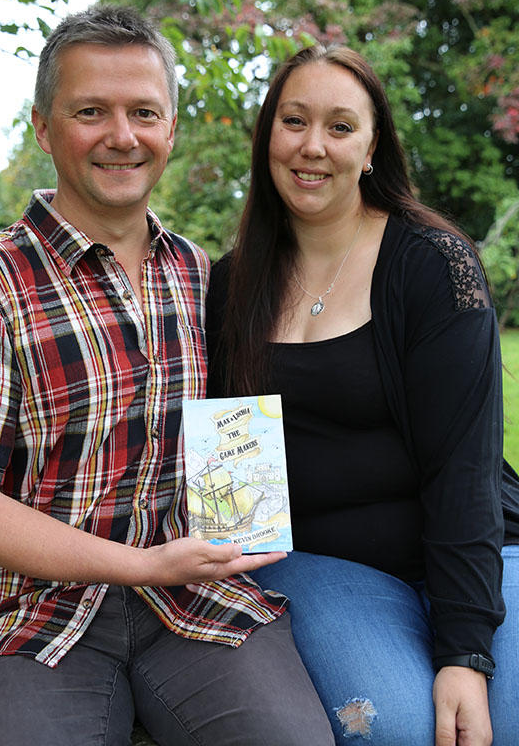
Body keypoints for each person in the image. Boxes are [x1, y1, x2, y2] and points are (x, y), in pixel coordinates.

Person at [0, 7, 335, 746]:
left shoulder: (202, 275)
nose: (122, 135)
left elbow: (235, 436)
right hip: (38, 617)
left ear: (170, 128)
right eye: (91, 112)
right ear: (44, 128)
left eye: (144, 112)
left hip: (197, 600)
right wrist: (140, 563)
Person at [206, 43, 519, 745]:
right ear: (267, 137)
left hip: (474, 554)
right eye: (294, 121)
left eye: (341, 126)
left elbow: (464, 468)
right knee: (399, 730)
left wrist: (465, 652)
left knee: (504, 717)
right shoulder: (233, 285)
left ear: (373, 146)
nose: (313, 146)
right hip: (326, 568)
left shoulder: (434, 264)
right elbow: (231, 470)